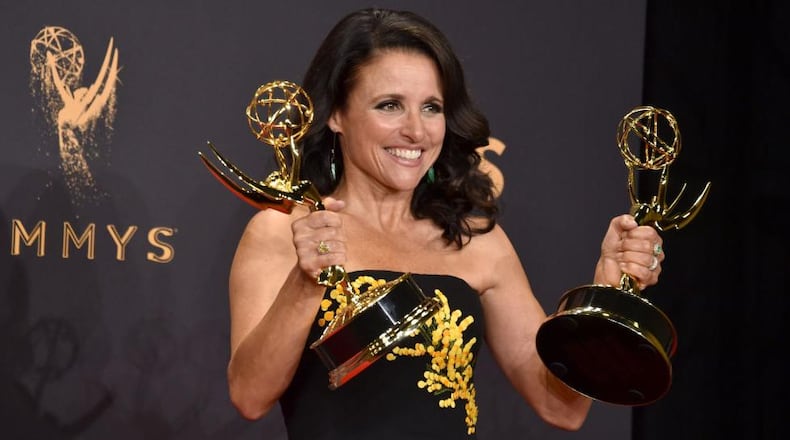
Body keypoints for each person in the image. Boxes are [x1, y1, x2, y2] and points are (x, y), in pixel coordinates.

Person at [225, 7, 664, 439]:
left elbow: (560, 407)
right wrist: (306, 283)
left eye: (431, 107)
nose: (416, 131)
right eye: (390, 105)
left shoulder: (477, 241)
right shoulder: (283, 233)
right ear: (336, 114)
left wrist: (606, 292)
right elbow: (250, 396)